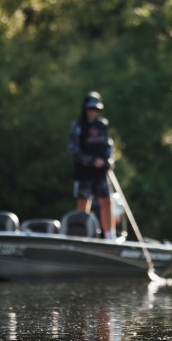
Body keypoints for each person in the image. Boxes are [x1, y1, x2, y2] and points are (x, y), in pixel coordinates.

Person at [68, 91, 116, 239]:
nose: (93, 112)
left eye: (96, 109)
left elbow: (109, 145)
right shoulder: (78, 126)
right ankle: (84, 233)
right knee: (83, 200)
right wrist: (91, 161)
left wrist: (109, 159)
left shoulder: (102, 125)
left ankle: (110, 235)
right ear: (85, 109)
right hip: (84, 172)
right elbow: (74, 150)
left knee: (106, 200)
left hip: (100, 172)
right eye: (90, 109)